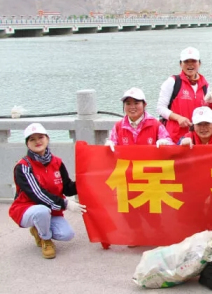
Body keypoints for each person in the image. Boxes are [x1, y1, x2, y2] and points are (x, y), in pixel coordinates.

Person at [9, 123, 87, 259]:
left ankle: (38, 229)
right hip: (26, 208)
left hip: (52, 210)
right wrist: (66, 204)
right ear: (27, 144)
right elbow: (37, 194)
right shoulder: (23, 166)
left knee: (67, 234)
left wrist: (87, 182)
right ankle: (45, 239)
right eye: (32, 139)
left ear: (47, 138)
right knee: (41, 211)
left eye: (40, 137)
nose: (37, 141)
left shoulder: (57, 162)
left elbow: (67, 188)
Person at [157, 47, 209, 144]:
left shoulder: (205, 85)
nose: (190, 64)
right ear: (180, 64)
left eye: (193, 61)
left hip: (197, 139)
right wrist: (178, 118)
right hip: (175, 138)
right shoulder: (173, 82)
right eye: (186, 61)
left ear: (199, 63)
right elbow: (160, 108)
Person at [105, 87, 173, 150]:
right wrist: (109, 145)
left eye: (136, 103)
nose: (132, 107)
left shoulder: (155, 125)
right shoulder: (118, 126)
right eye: (128, 103)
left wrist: (165, 143)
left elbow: (171, 145)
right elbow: (112, 144)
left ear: (144, 104)